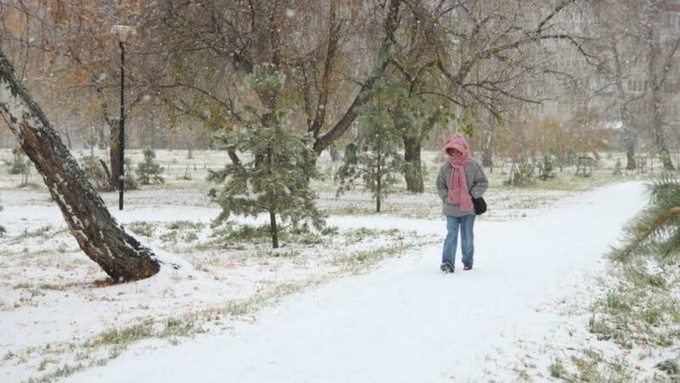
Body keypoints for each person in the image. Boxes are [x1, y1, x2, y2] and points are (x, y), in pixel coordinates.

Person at [436, 133, 488, 273]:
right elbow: (440, 185)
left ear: (464, 149)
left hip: (468, 208)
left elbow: (483, 182)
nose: (455, 152)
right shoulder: (446, 168)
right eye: (452, 150)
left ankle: (467, 261)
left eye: (457, 149)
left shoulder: (472, 165)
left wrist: (472, 195)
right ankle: (447, 263)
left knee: (467, 236)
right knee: (451, 234)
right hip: (451, 208)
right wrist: (446, 197)